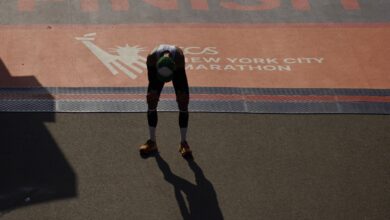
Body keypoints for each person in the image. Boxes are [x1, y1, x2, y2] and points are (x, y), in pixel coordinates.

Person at [139, 44, 192, 158]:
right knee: (151, 100)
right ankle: (152, 142)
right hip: (156, 72)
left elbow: (181, 78)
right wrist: (153, 93)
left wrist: (181, 95)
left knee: (183, 102)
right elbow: (152, 80)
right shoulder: (151, 58)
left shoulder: (179, 58)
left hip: (177, 71)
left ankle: (184, 143)